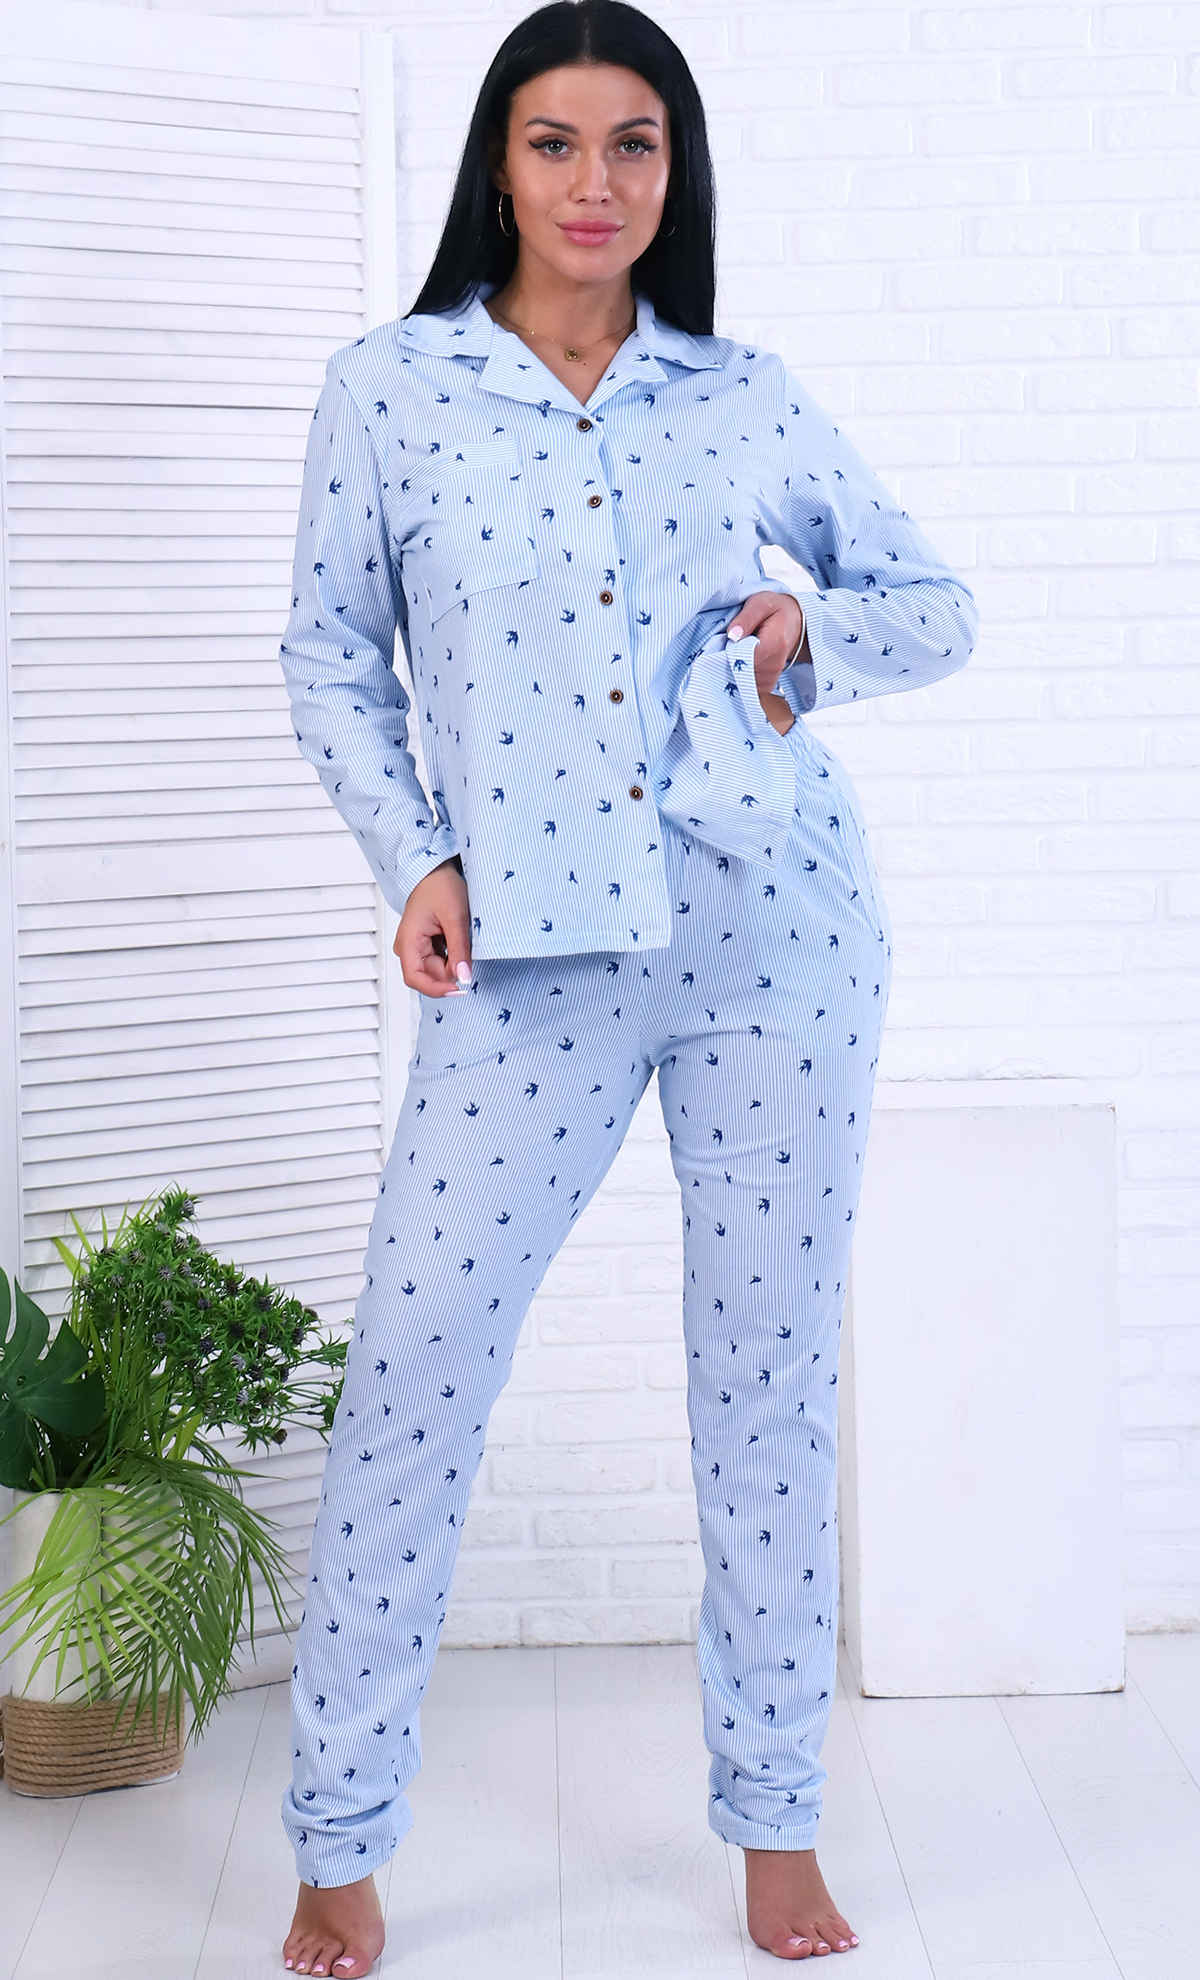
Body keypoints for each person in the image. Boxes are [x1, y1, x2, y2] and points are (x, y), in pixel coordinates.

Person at [277, 3, 976, 1968]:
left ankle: (776, 1819)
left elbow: (936, 607)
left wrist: (807, 631)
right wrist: (415, 853)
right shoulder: (392, 391)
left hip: (778, 939)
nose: (597, 182)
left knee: (766, 1381)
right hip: (525, 958)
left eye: (635, 143)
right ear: (499, 164)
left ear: (678, 170)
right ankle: (337, 1834)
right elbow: (329, 655)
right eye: (556, 141)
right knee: (415, 1365)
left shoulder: (740, 395)